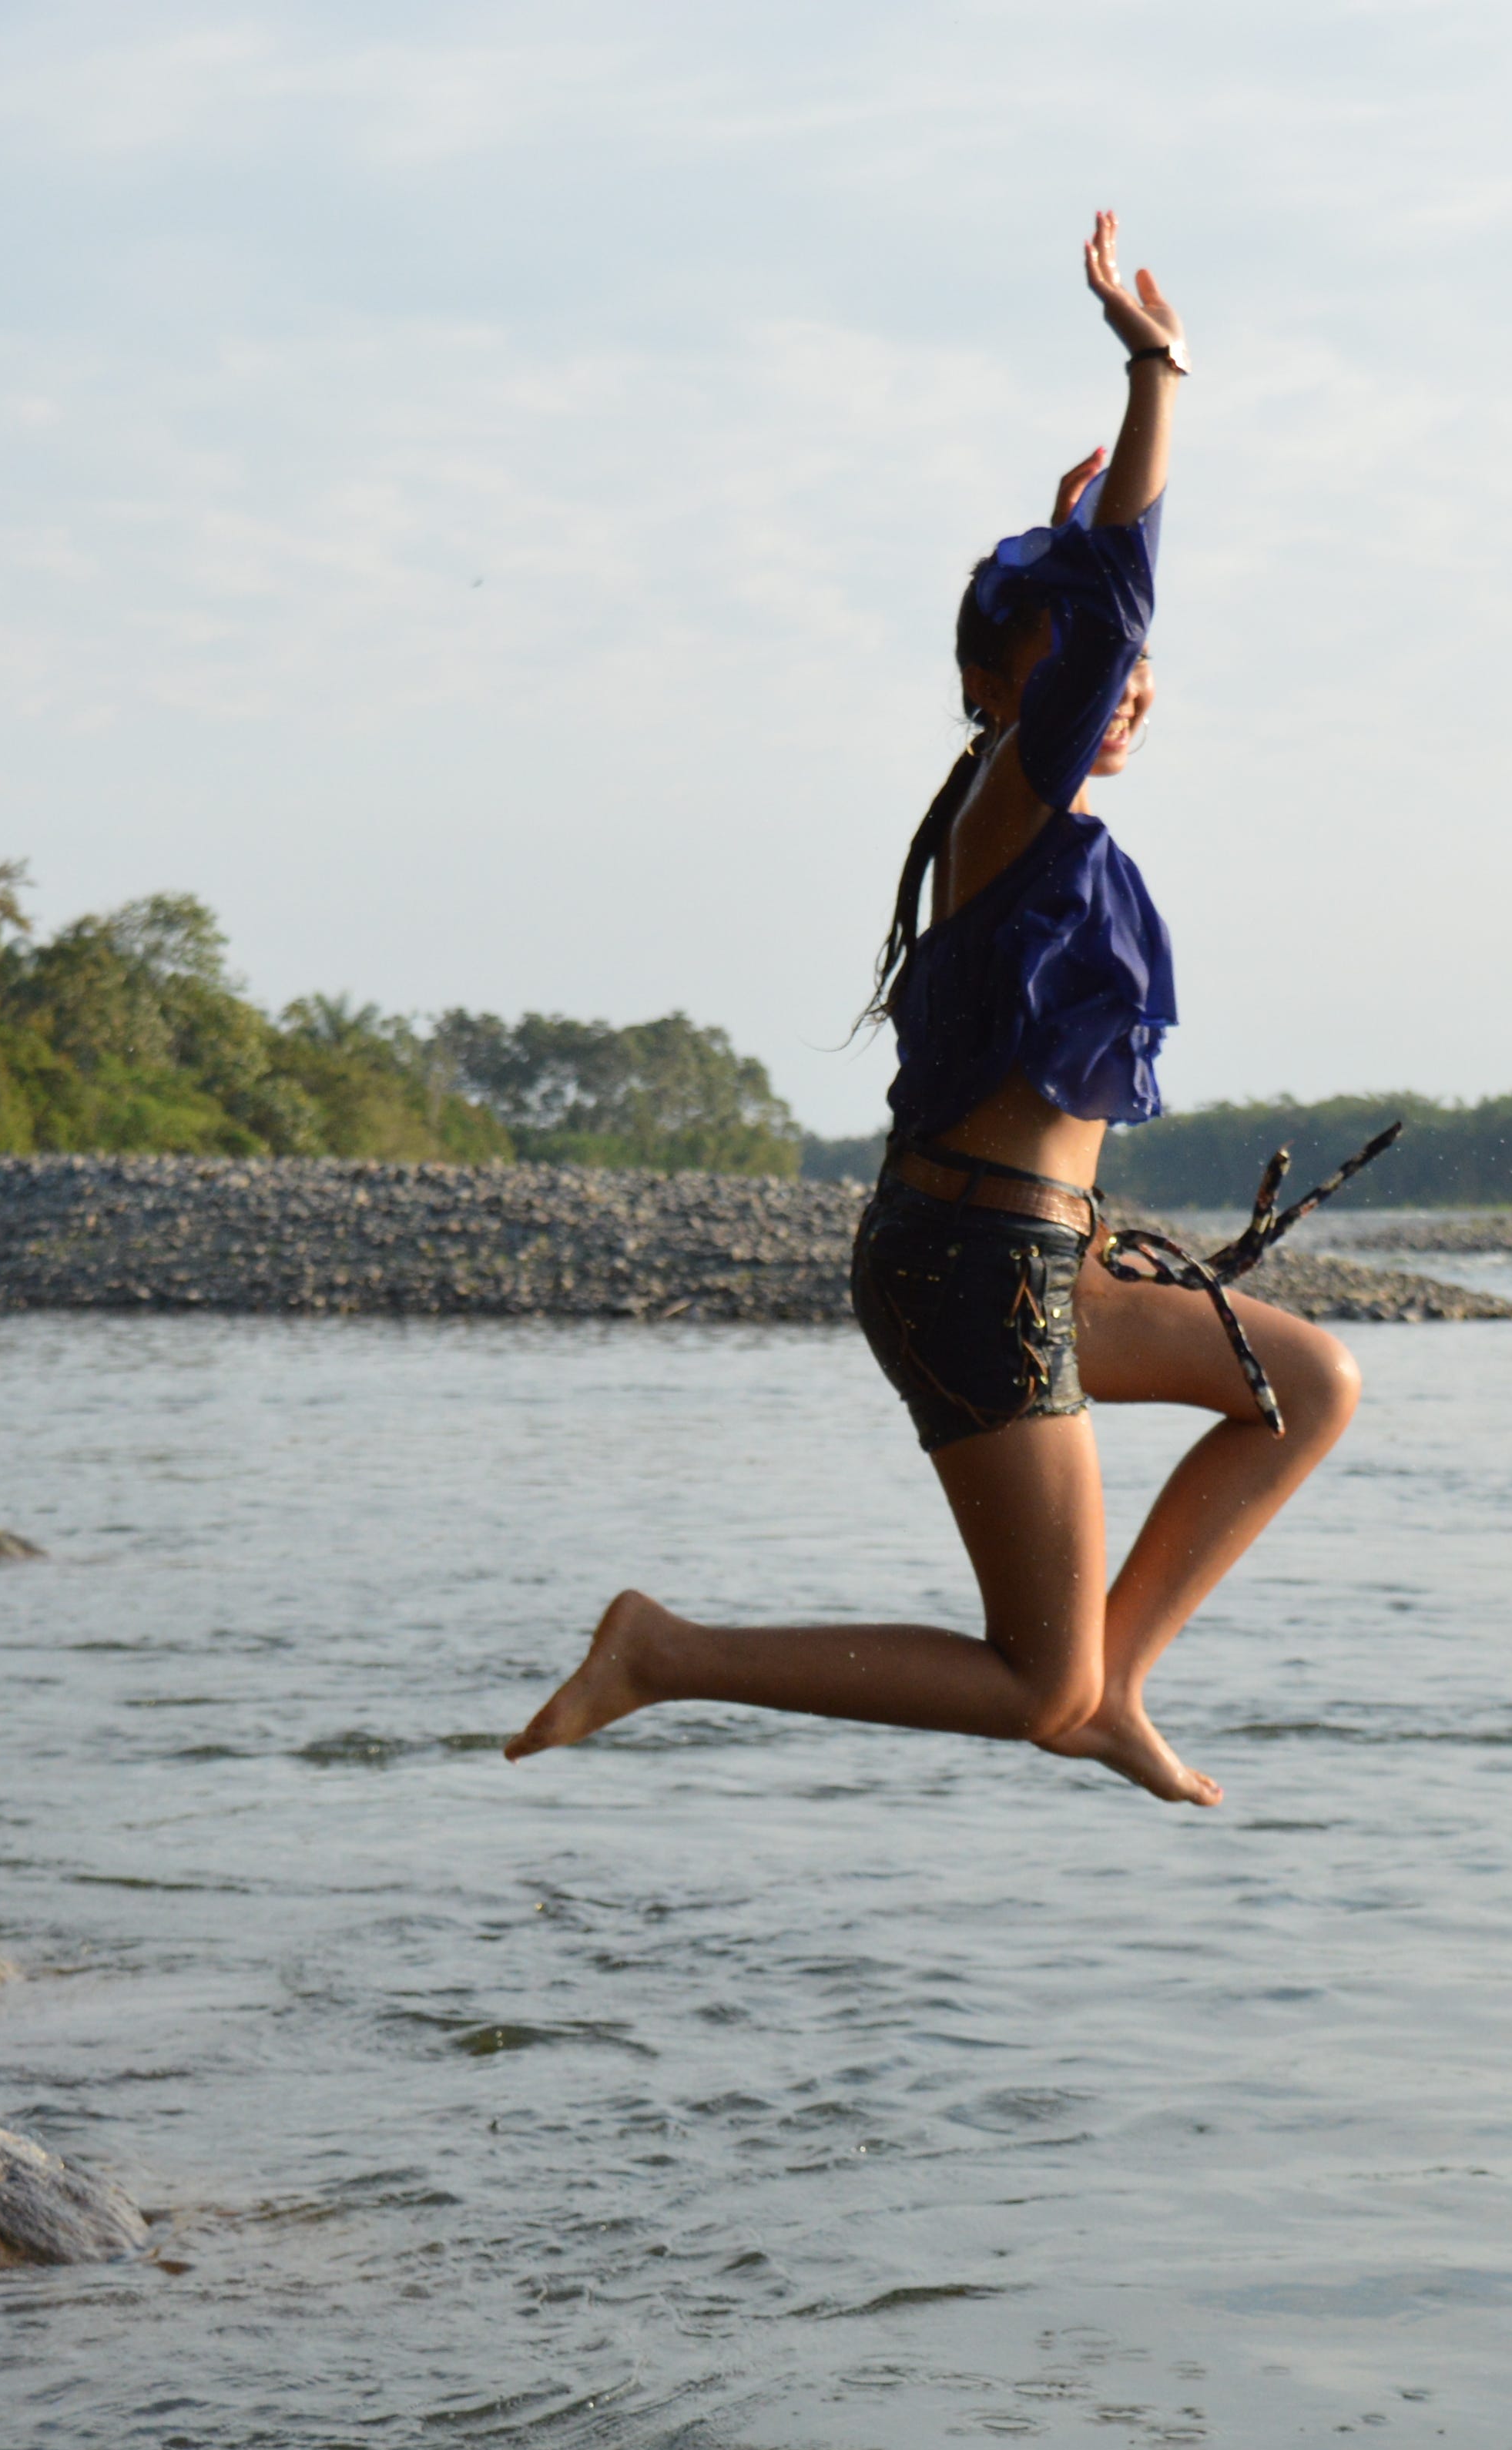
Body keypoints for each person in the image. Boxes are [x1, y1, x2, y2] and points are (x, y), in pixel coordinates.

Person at [508, 213, 1364, 1810]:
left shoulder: (1035, 822)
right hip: (968, 1267)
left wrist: (1069, 560)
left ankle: (1117, 1687)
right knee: (1028, 1683)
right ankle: (661, 1650)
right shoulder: (1000, 808)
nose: (1121, 688)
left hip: (1027, 1249)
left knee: (1306, 1385)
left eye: (1133, 681)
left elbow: (1102, 620)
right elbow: (1104, 611)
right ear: (997, 686)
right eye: (1082, 668)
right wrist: (1151, 380)